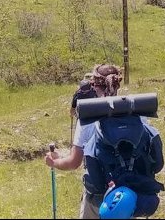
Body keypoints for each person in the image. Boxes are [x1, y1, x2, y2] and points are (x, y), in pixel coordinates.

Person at [45, 64, 127, 219]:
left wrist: (54, 162)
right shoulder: (135, 112)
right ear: (117, 84)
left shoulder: (88, 118)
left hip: (98, 196)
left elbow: (73, 163)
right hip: (128, 196)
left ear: (94, 85)